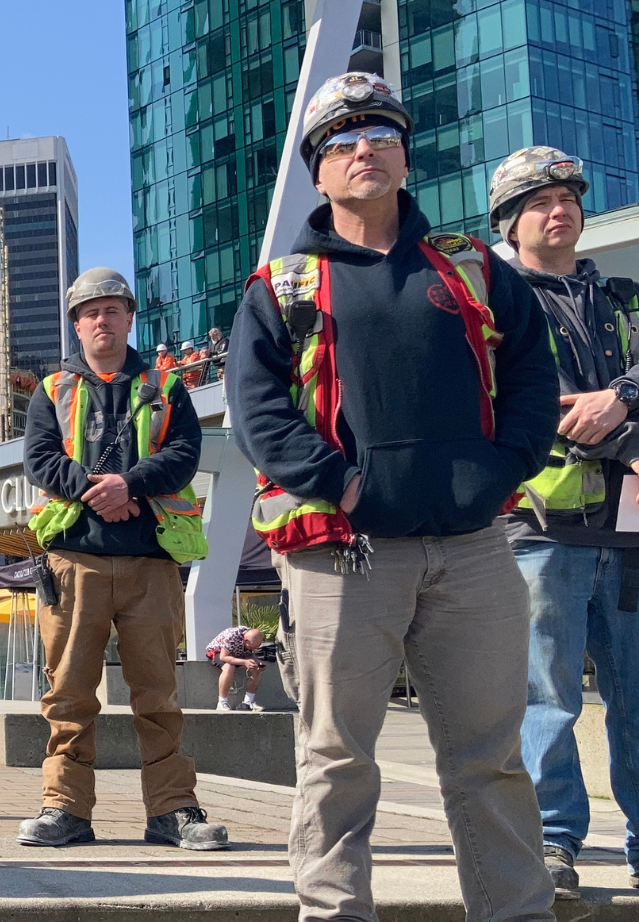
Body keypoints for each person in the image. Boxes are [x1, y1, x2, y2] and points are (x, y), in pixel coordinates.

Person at [228, 72, 559, 922]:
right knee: (336, 760)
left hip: (474, 548)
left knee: (491, 761)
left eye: (381, 134)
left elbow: (532, 374)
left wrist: (502, 469)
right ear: (318, 171)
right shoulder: (283, 285)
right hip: (343, 554)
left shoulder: (473, 266)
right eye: (341, 141)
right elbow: (258, 413)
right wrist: (344, 485)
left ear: (406, 157)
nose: (363, 149)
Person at [20, 268, 225, 851]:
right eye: (91, 312)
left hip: (150, 561)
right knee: (68, 694)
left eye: (112, 309)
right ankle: (64, 808)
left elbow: (184, 454)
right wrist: (99, 490)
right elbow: (39, 458)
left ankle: (173, 810)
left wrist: (129, 485)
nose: (102, 320)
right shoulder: (52, 388)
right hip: (73, 562)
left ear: (130, 317)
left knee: (159, 693)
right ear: (76, 324)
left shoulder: (168, 385)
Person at [490, 145, 639, 897]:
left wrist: (625, 394)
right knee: (545, 697)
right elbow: (539, 405)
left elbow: (614, 394)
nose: (560, 210)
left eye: (569, 199)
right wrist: (634, 440)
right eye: (540, 202)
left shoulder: (625, 299)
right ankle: (553, 841)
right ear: (509, 223)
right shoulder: (494, 305)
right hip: (541, 527)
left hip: (631, 534)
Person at [203, 625, 263, 712]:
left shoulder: (250, 638)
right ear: (245, 640)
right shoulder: (231, 637)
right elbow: (223, 657)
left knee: (256, 668)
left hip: (237, 653)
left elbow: (250, 653)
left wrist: (257, 661)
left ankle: (248, 702)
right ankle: (222, 702)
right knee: (229, 667)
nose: (252, 649)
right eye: (251, 647)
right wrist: (244, 662)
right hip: (218, 652)